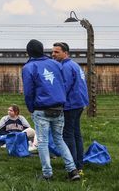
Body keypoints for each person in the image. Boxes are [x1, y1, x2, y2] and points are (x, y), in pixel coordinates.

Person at [22, 39, 80, 181]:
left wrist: (31, 108)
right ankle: (72, 170)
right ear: (42, 50)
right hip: (59, 107)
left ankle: (47, 173)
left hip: (41, 108)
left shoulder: (29, 67)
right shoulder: (56, 64)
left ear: (28, 52)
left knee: (42, 142)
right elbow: (62, 83)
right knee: (59, 139)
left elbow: (28, 91)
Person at [53, 42, 89, 170]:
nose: (53, 54)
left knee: (68, 134)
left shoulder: (66, 67)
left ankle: (72, 165)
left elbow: (65, 86)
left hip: (71, 104)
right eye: (53, 51)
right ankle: (79, 163)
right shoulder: (75, 65)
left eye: (57, 52)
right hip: (80, 102)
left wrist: (57, 101)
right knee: (76, 133)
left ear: (65, 53)